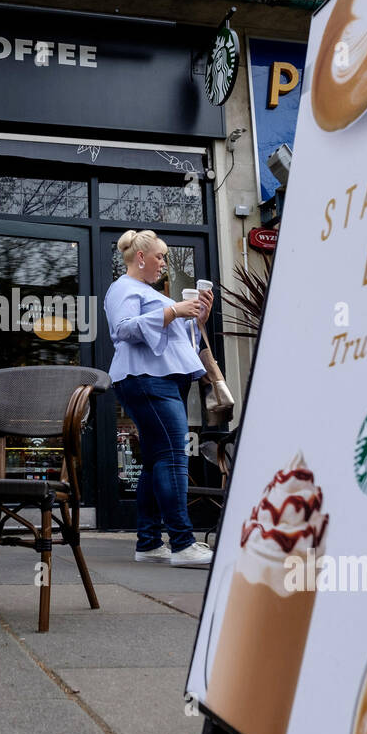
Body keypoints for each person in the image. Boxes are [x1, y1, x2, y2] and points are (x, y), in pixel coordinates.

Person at [104, 229, 215, 567]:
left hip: (159, 380)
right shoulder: (124, 288)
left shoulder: (149, 292)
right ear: (141, 258)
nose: (164, 263)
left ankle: (150, 542)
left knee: (156, 462)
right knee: (172, 457)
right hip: (147, 380)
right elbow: (122, 329)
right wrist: (173, 311)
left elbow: (181, 344)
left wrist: (198, 320)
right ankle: (182, 544)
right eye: (160, 256)